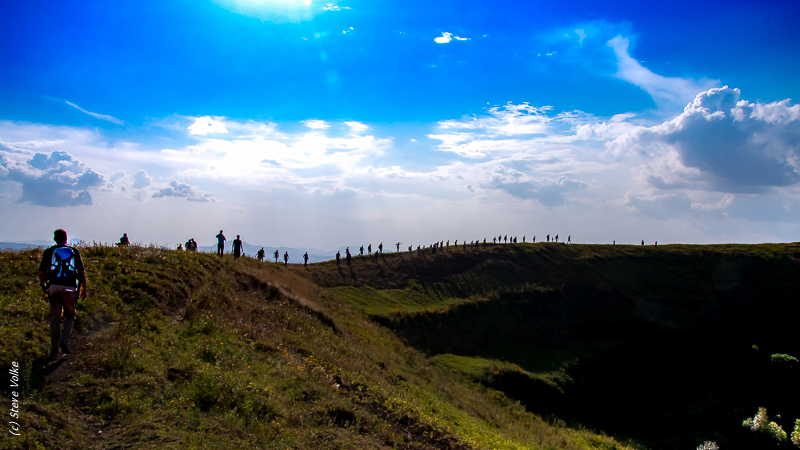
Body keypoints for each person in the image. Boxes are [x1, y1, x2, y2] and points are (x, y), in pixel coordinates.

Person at [38, 229, 87, 362]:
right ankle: (64, 340)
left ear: (54, 238)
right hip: (70, 288)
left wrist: (43, 285)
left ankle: (54, 353)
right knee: (70, 315)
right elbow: (81, 272)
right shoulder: (74, 251)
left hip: (53, 287)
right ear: (66, 238)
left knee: (54, 318)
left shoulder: (49, 252)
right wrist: (84, 289)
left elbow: (42, 271)